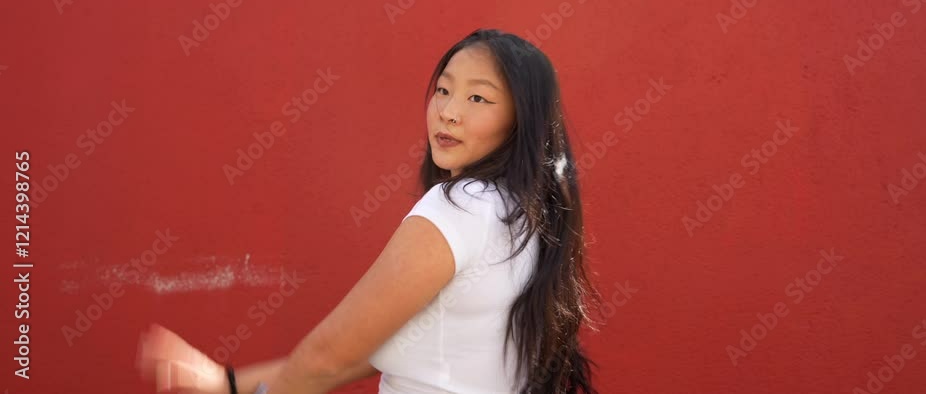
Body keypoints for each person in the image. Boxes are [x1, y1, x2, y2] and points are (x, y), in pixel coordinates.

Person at [137, 28, 602, 393]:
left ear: (521, 119)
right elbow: (375, 348)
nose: (448, 111)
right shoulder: (523, 214)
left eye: (477, 97)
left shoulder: (459, 206)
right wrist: (229, 385)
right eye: (443, 90)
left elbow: (328, 356)